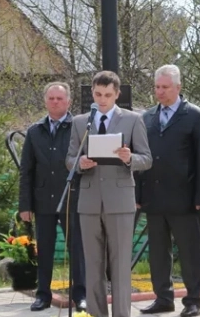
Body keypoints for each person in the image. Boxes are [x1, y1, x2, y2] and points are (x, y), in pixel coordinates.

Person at [66, 70, 152, 317]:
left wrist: (129, 158)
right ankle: (96, 314)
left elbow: (146, 159)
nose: (102, 99)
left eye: (107, 95)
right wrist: (79, 163)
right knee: (93, 265)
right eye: (97, 94)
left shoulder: (133, 120)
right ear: (92, 92)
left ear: (117, 94)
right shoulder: (81, 122)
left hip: (120, 200)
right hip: (89, 200)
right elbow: (69, 159)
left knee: (120, 265)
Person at [138, 65, 200, 317]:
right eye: (157, 87)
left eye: (165, 87)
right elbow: (141, 159)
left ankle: (193, 301)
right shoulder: (146, 118)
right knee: (158, 253)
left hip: (185, 198)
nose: (160, 92)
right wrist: (139, 195)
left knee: (190, 253)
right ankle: (163, 298)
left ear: (178, 87)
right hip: (154, 198)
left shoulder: (195, 116)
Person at [18, 82, 87, 312]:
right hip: (43, 201)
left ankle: (81, 295)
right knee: (44, 250)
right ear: (45, 101)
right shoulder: (35, 131)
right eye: (51, 98)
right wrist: (25, 205)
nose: (55, 102)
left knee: (77, 250)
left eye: (60, 98)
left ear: (69, 101)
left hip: (73, 199)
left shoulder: (80, 127)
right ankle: (43, 295)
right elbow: (26, 170)